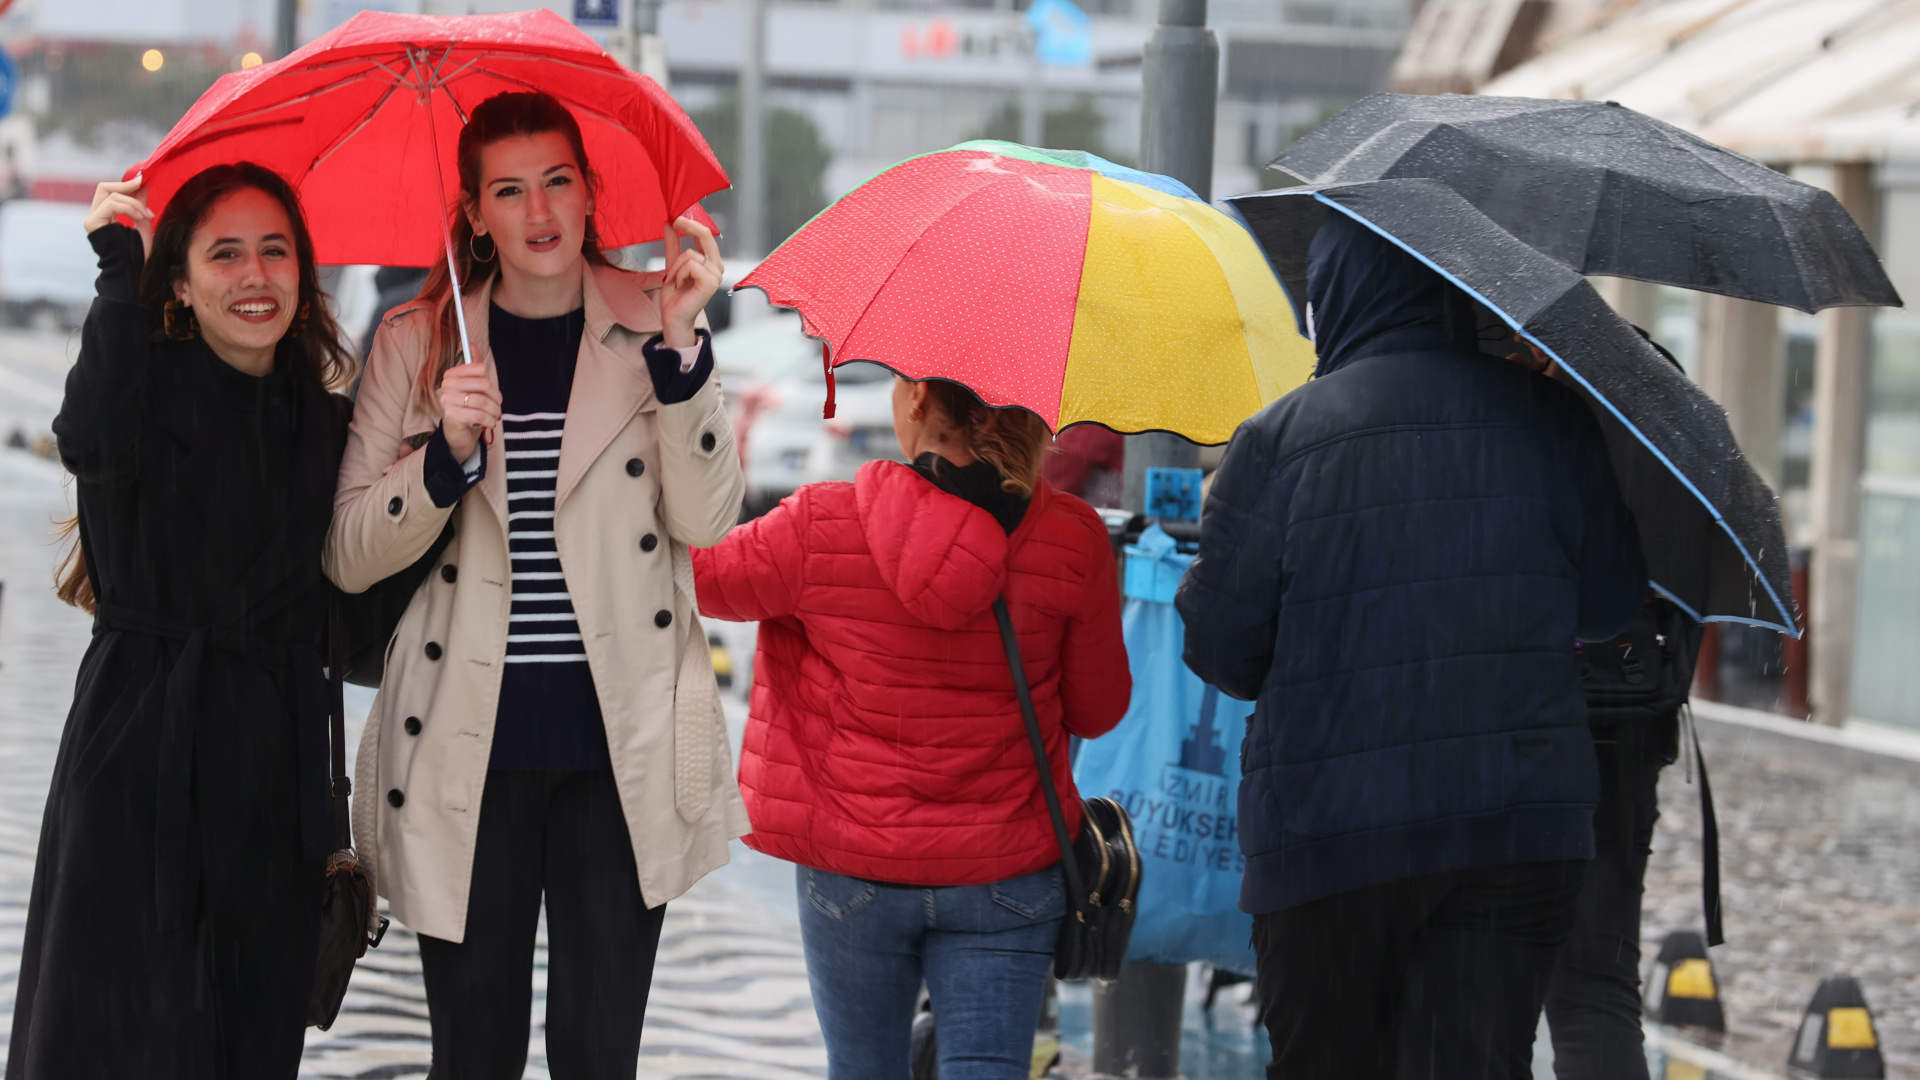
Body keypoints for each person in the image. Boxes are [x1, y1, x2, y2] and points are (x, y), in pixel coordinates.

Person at [324, 90, 745, 1079]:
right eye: (509, 191)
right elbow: (346, 553)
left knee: (598, 1056)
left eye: (557, 180)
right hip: (464, 752)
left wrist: (683, 355)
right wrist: (443, 457)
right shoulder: (417, 343)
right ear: (475, 214)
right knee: (474, 1057)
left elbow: (708, 521)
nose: (540, 210)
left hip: (622, 755)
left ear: (590, 192)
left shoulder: (654, 325)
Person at [1177, 211, 1648, 1080]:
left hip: (1330, 834)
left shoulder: (1282, 438)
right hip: (1516, 824)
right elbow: (1613, 604)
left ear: (1335, 296)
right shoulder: (1553, 419)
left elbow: (1223, 654)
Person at [13, 165, 356, 1078]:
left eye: (275, 251)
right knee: (112, 1037)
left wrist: (441, 464)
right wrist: (114, 273)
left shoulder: (331, 427)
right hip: (139, 754)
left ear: (304, 272)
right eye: (225, 254)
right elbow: (85, 438)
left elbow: (362, 604)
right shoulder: (137, 387)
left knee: (248, 1043)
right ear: (179, 281)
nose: (255, 276)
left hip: (271, 776)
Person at [691, 377, 1131, 1079]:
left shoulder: (820, 525)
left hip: (854, 867)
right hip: (1007, 870)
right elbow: (1097, 711)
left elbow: (693, 574)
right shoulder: (1073, 537)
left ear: (919, 399)